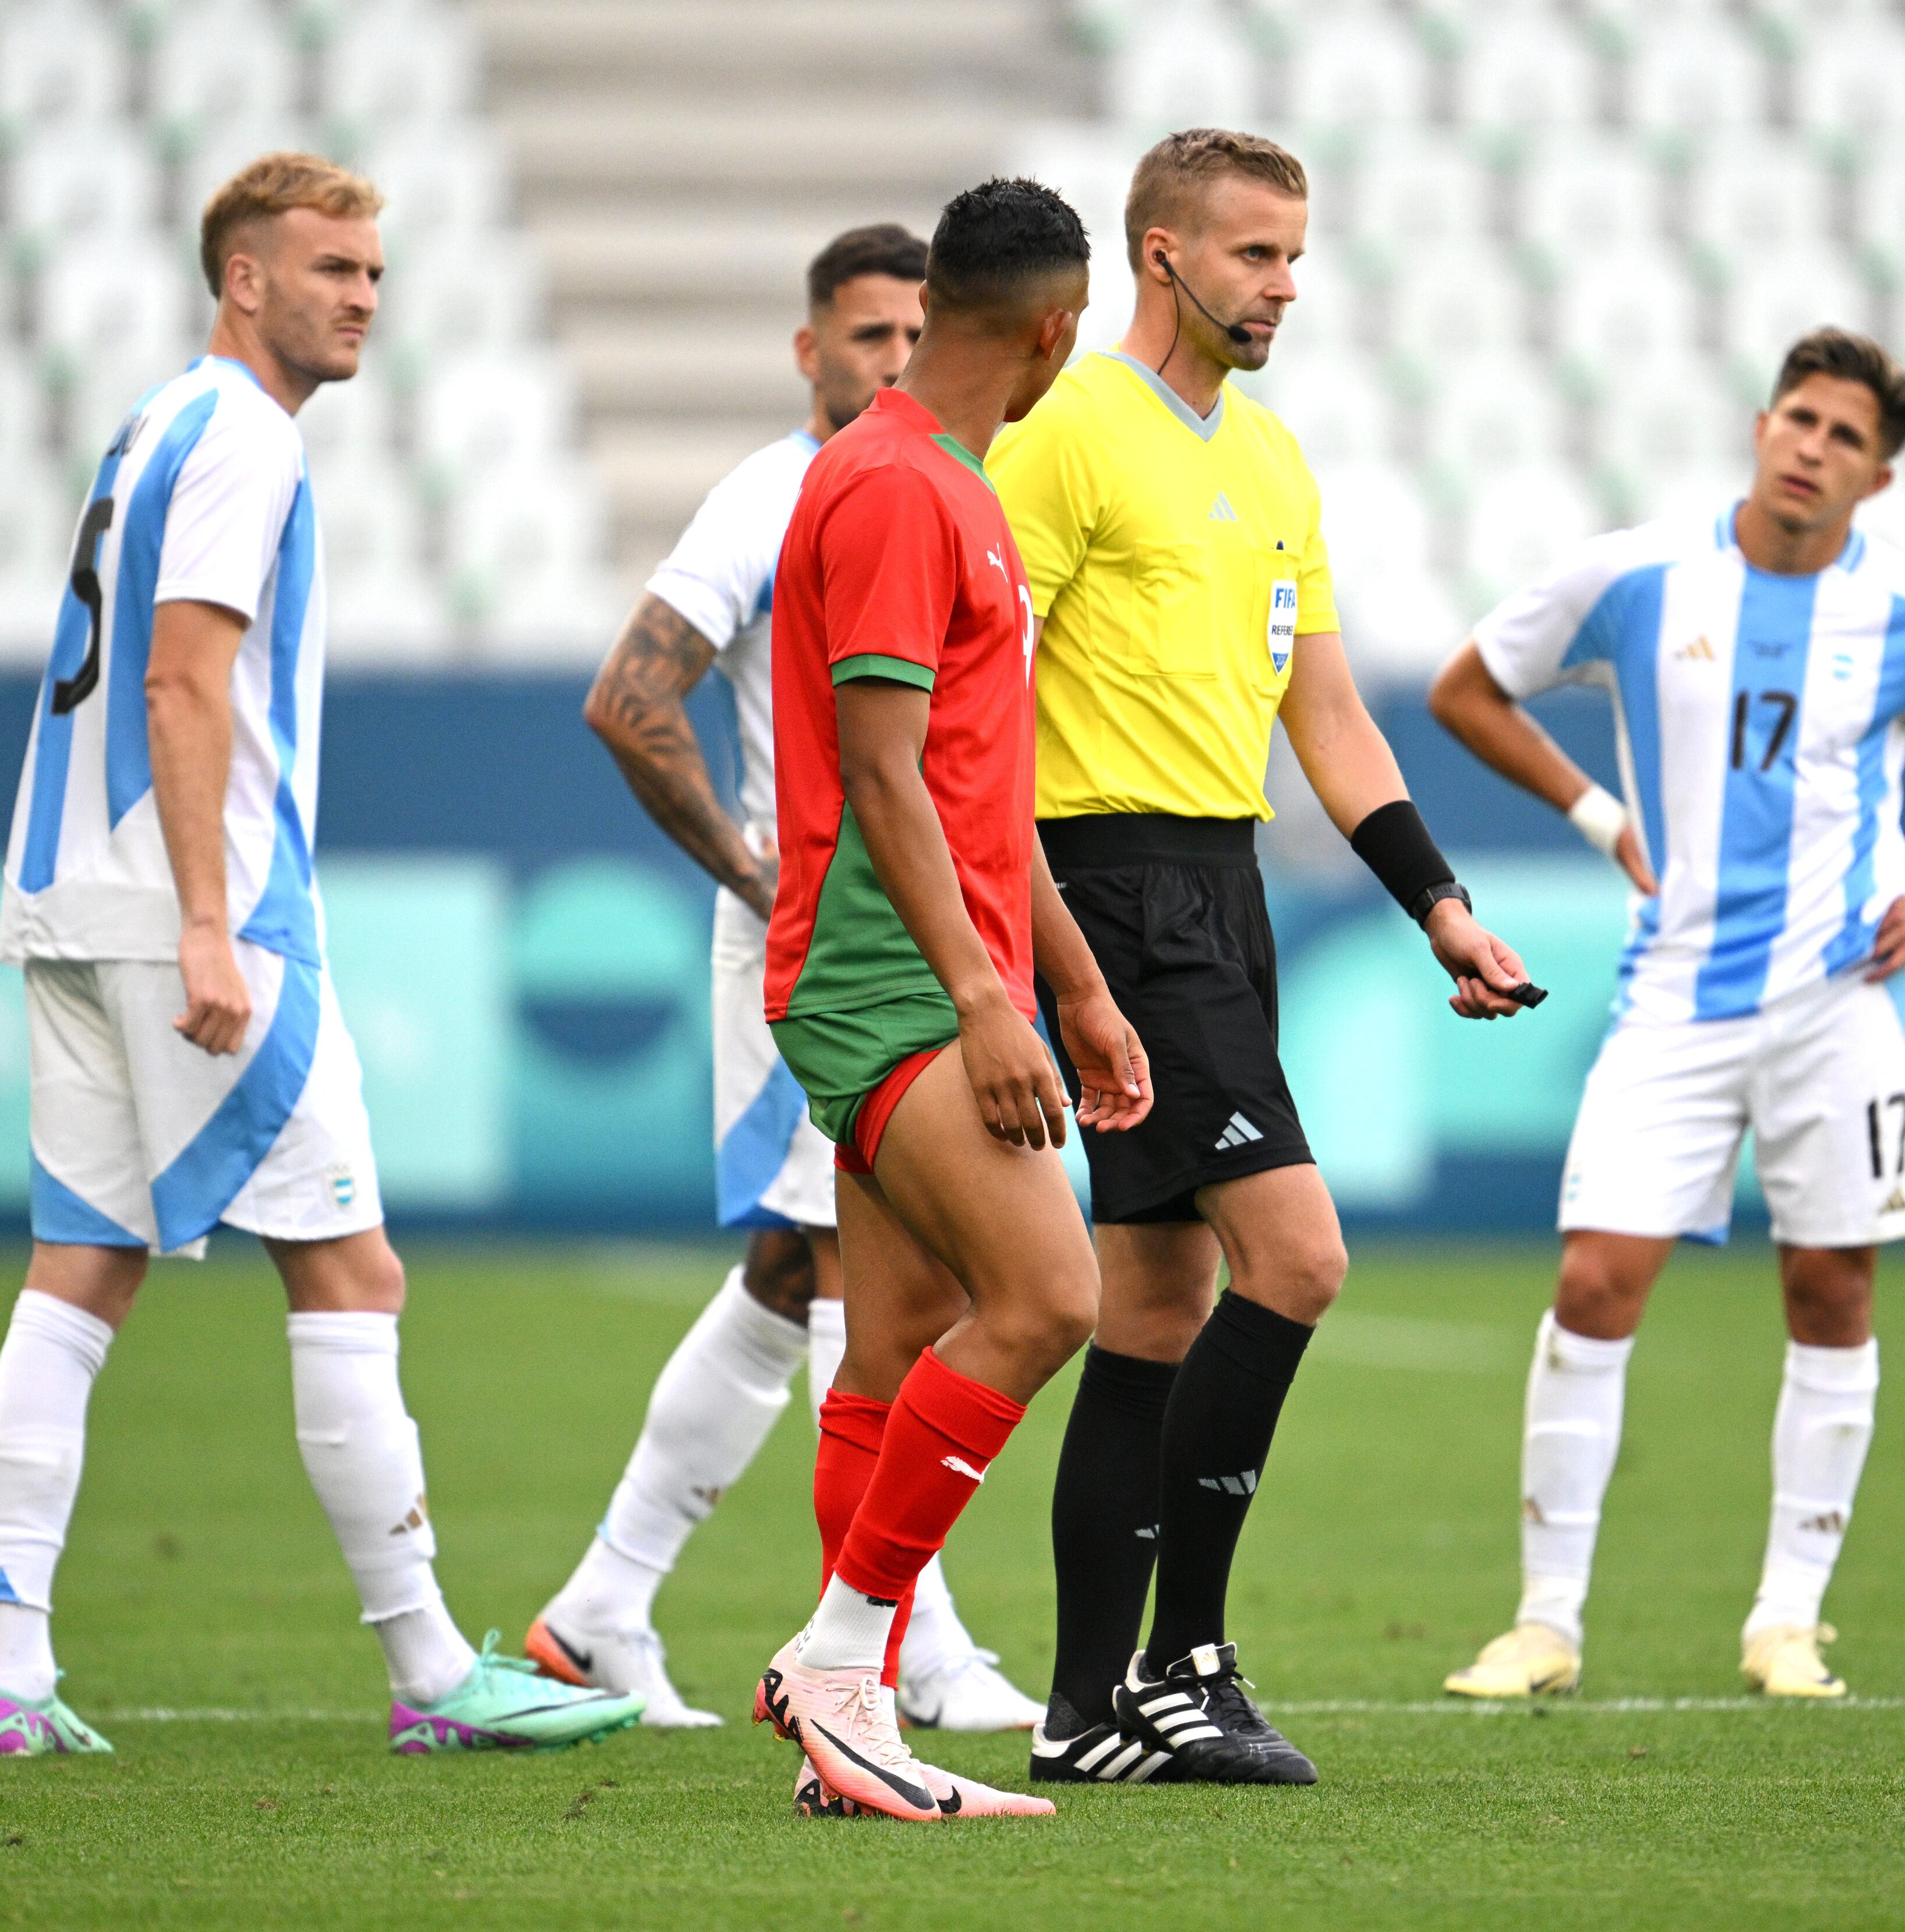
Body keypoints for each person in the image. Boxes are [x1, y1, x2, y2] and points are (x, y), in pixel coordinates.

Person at [0, 154, 643, 1758]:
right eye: (330, 268)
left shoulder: (153, 422)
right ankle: (430, 1670)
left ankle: (9, 1670)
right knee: (352, 1270)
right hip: (193, 909)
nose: (359, 297)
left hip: (68, 891)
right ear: (245, 278)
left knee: (82, 1265)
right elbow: (181, 684)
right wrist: (210, 918)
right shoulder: (247, 441)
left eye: (374, 274)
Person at [985, 128, 1532, 1788]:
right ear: (1161, 254)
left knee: (1160, 1297)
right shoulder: (1068, 433)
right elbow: (983, 694)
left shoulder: (1276, 459)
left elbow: (1330, 712)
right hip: (1112, 882)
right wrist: (1036, 939)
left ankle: (1087, 1709)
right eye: (1254, 254)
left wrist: (1434, 898)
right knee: (1298, 1256)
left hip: (1221, 886)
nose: (1285, 283)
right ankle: (1187, 1660)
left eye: (1297, 254)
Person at [1426, 328, 1905, 1704]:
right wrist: (1601, 818)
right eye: (1796, 419)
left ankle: (1786, 1617)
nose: (1808, 449)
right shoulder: (1640, 576)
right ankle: (1545, 1623)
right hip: (1675, 996)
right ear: (1761, 425)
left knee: (1829, 1288)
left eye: (1842, 437)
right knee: (1596, 1281)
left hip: (1843, 1003)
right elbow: (1464, 690)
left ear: (1877, 478)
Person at [526, 222, 1040, 1733]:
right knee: (853, 1279)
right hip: (837, 947)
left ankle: (602, 1605)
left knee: (804, 1273)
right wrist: (762, 874)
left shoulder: (922, 486)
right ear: (810, 349)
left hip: (896, 939)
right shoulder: (780, 489)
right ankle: (906, 1644)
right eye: (862, 337)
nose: (892, 360)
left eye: (909, 333)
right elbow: (633, 696)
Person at [747, 176, 1150, 1824]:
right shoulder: (906, 492)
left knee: (896, 1336)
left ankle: (858, 1721)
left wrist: (1076, 982)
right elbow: (889, 781)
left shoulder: (943, 482)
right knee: (1054, 1292)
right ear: (1056, 329)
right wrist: (987, 1004)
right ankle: (842, 1659)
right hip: (886, 976)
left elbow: (982, 794)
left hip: (940, 964)